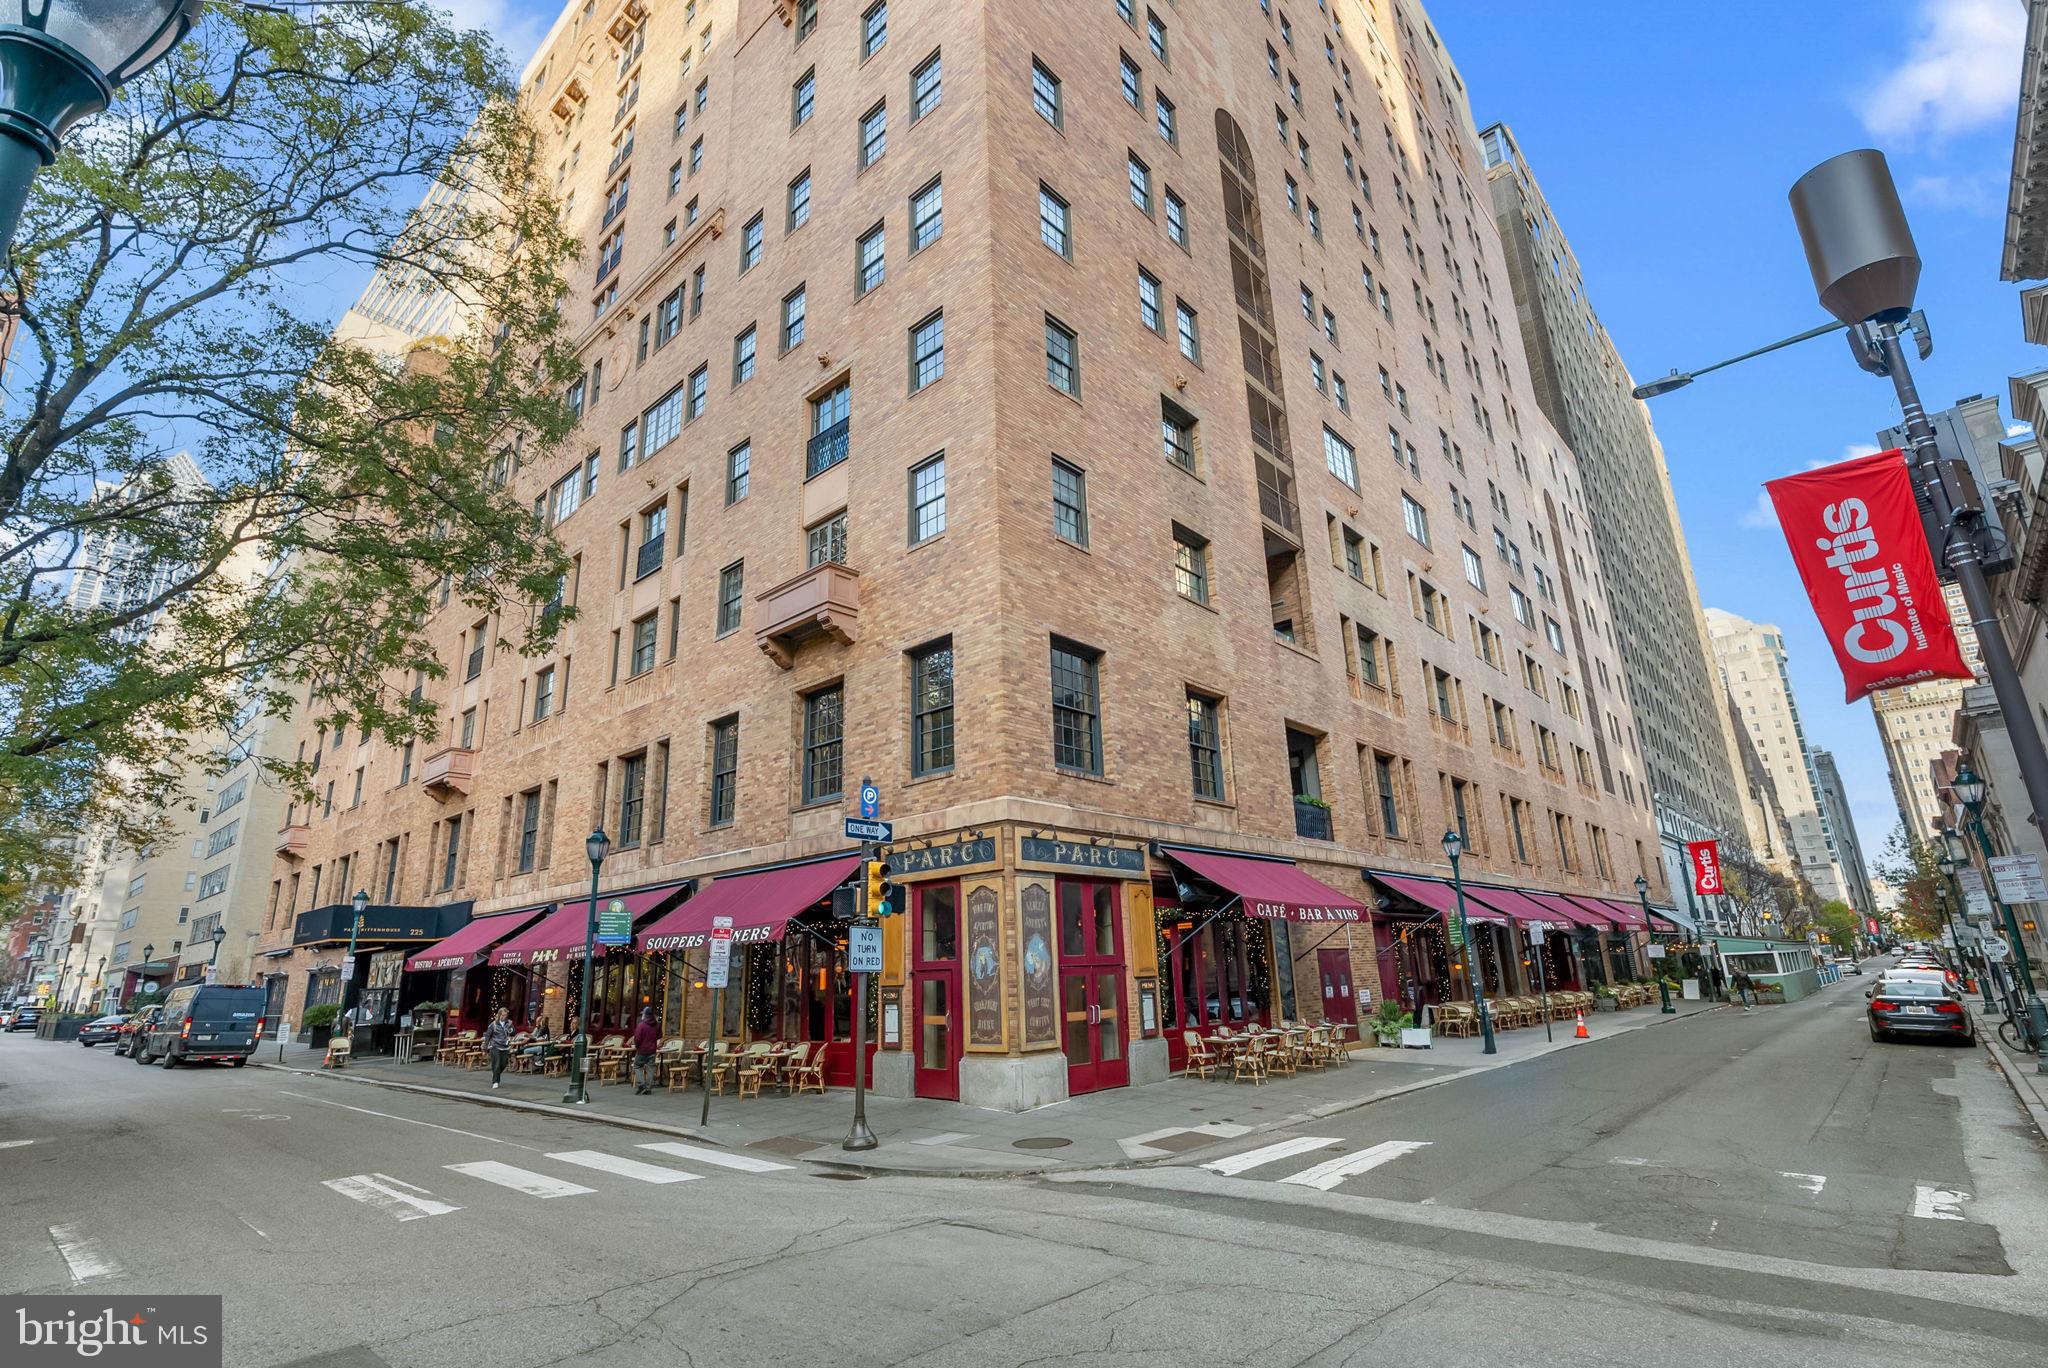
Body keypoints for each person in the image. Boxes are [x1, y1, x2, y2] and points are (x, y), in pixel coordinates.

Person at [483, 1007, 514, 1087]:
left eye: (505, 1015)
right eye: (502, 1015)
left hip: (505, 1046)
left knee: (503, 1063)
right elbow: (487, 1036)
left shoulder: (509, 1023)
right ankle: (495, 1082)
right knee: (496, 1063)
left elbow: (513, 1033)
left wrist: (511, 1029)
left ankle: (495, 1074)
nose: (504, 1017)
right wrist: (485, 1048)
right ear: (499, 1015)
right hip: (495, 1046)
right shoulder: (493, 1025)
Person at [632, 1006, 660, 1094]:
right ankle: (648, 1088)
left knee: (637, 1066)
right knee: (650, 1069)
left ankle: (641, 1084)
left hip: (642, 1050)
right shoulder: (657, 1025)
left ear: (645, 1015)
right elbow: (659, 1035)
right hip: (652, 1050)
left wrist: (637, 1046)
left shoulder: (641, 1025)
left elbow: (637, 1038)